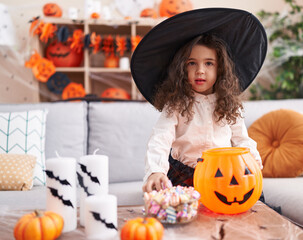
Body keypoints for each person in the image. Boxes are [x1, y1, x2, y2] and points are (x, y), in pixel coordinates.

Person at [130, 8, 268, 193]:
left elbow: (241, 139)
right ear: (181, 68)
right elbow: (160, 138)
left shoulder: (228, 104)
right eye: (192, 63)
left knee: (241, 205)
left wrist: (252, 161)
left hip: (223, 173)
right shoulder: (177, 104)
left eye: (208, 63)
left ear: (220, 69)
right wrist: (156, 170)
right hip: (184, 174)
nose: (200, 70)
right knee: (180, 210)